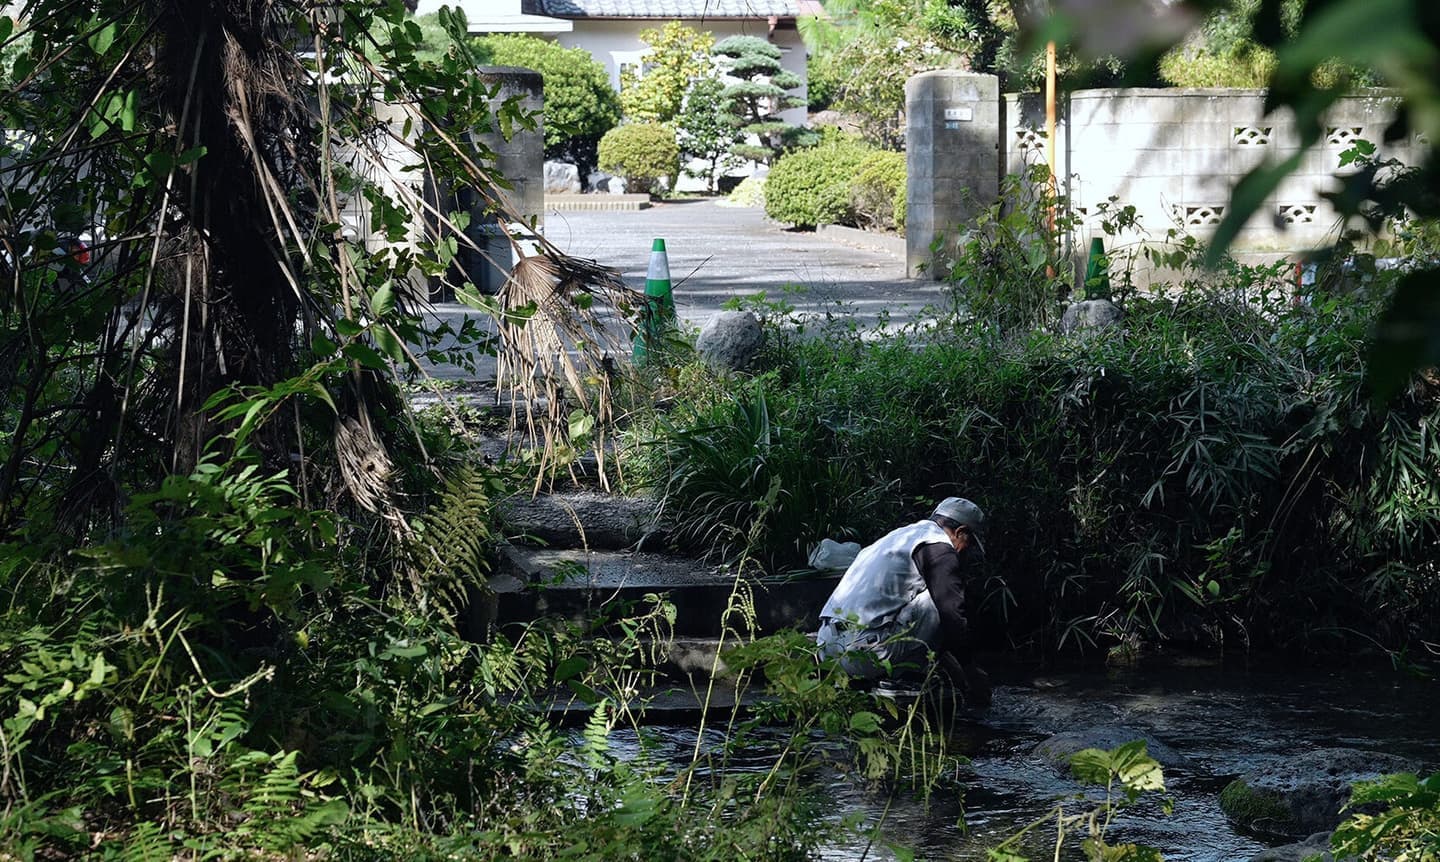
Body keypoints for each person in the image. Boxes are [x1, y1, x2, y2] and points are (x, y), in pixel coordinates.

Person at [816, 497, 990, 704]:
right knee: (939, 599)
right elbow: (950, 615)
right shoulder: (940, 549)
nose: (966, 552)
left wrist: (957, 673)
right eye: (968, 544)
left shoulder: (899, 537)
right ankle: (898, 679)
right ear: (960, 532)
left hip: (828, 651)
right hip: (867, 657)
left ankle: (870, 678)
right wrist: (971, 671)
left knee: (928, 599)